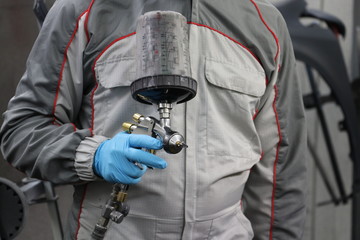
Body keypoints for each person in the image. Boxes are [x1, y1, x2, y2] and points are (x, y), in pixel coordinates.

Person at [0, 0, 306, 239]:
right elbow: (22, 128)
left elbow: (281, 173)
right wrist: (93, 155)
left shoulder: (265, 26)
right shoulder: (83, 11)